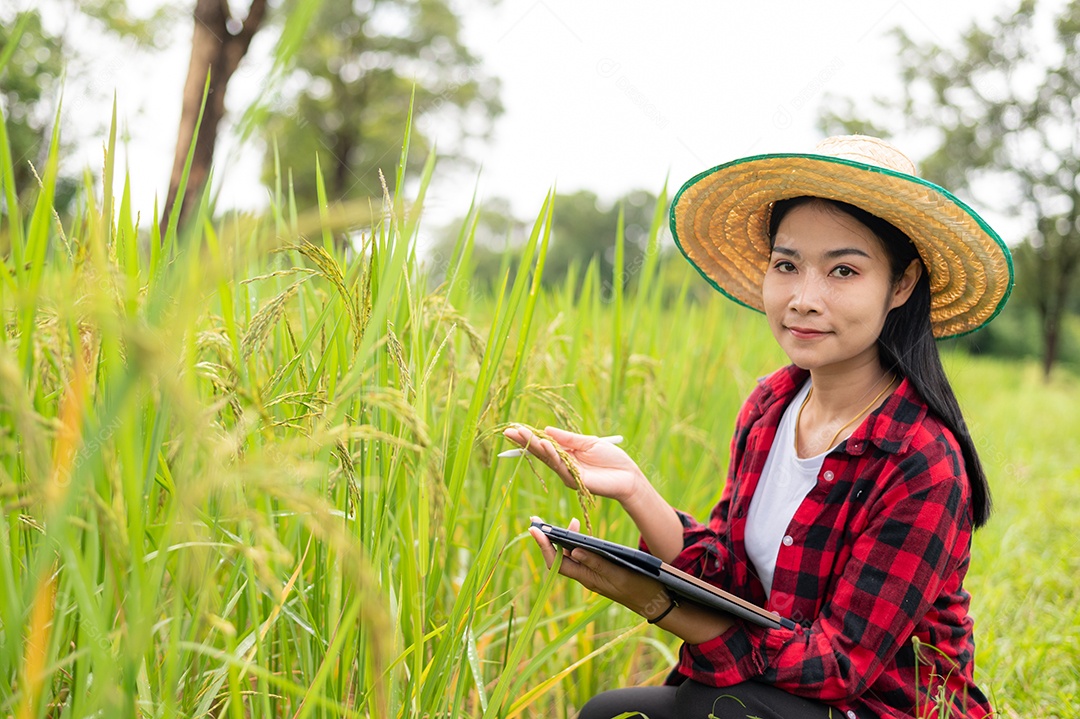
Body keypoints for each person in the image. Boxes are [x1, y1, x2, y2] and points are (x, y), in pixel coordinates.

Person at [502, 135, 1013, 719]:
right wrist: (633, 489)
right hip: (771, 696)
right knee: (611, 712)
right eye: (786, 266)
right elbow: (733, 577)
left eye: (843, 270)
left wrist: (658, 604)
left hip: (881, 707)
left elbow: (839, 666)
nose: (803, 299)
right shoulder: (772, 406)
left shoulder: (920, 459)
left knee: (713, 709)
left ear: (901, 284)